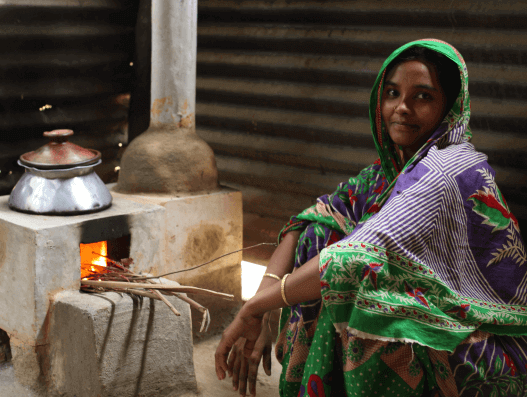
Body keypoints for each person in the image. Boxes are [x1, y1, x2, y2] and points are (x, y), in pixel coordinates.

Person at [215, 39, 527, 396]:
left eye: (422, 96)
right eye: (392, 93)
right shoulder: (391, 170)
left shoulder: (447, 169)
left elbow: (354, 259)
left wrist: (253, 309)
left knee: (363, 294)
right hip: (443, 324)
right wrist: (262, 302)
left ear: (450, 106)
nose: (402, 108)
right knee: (320, 235)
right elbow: (309, 220)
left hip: (483, 344)